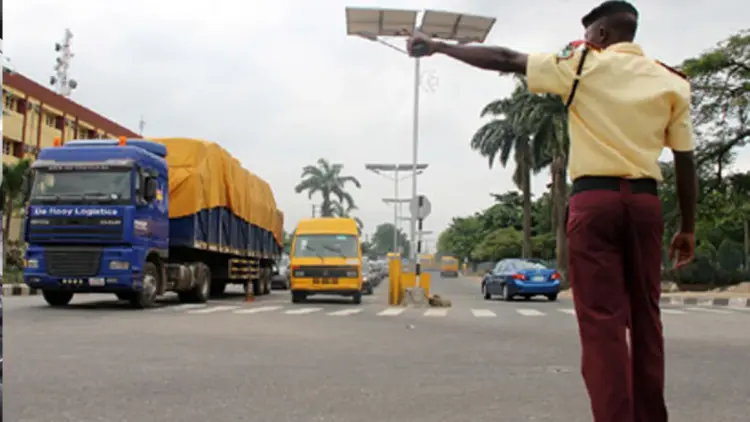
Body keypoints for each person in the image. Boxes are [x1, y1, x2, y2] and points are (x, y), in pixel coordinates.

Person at [406, 1, 698, 421]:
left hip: (594, 203)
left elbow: (507, 59)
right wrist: (687, 227)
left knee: (602, 323)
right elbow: (685, 160)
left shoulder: (582, 66)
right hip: (646, 204)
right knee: (647, 317)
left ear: (598, 35)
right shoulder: (672, 82)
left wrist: (438, 46)